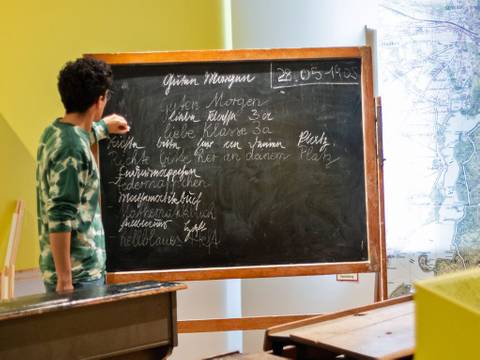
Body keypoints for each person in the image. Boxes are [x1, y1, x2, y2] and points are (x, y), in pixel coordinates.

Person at [36, 57, 129, 293]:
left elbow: (75, 142)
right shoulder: (73, 149)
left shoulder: (54, 132)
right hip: (78, 278)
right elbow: (59, 216)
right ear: (99, 100)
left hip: (75, 274)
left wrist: (101, 128)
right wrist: (65, 281)